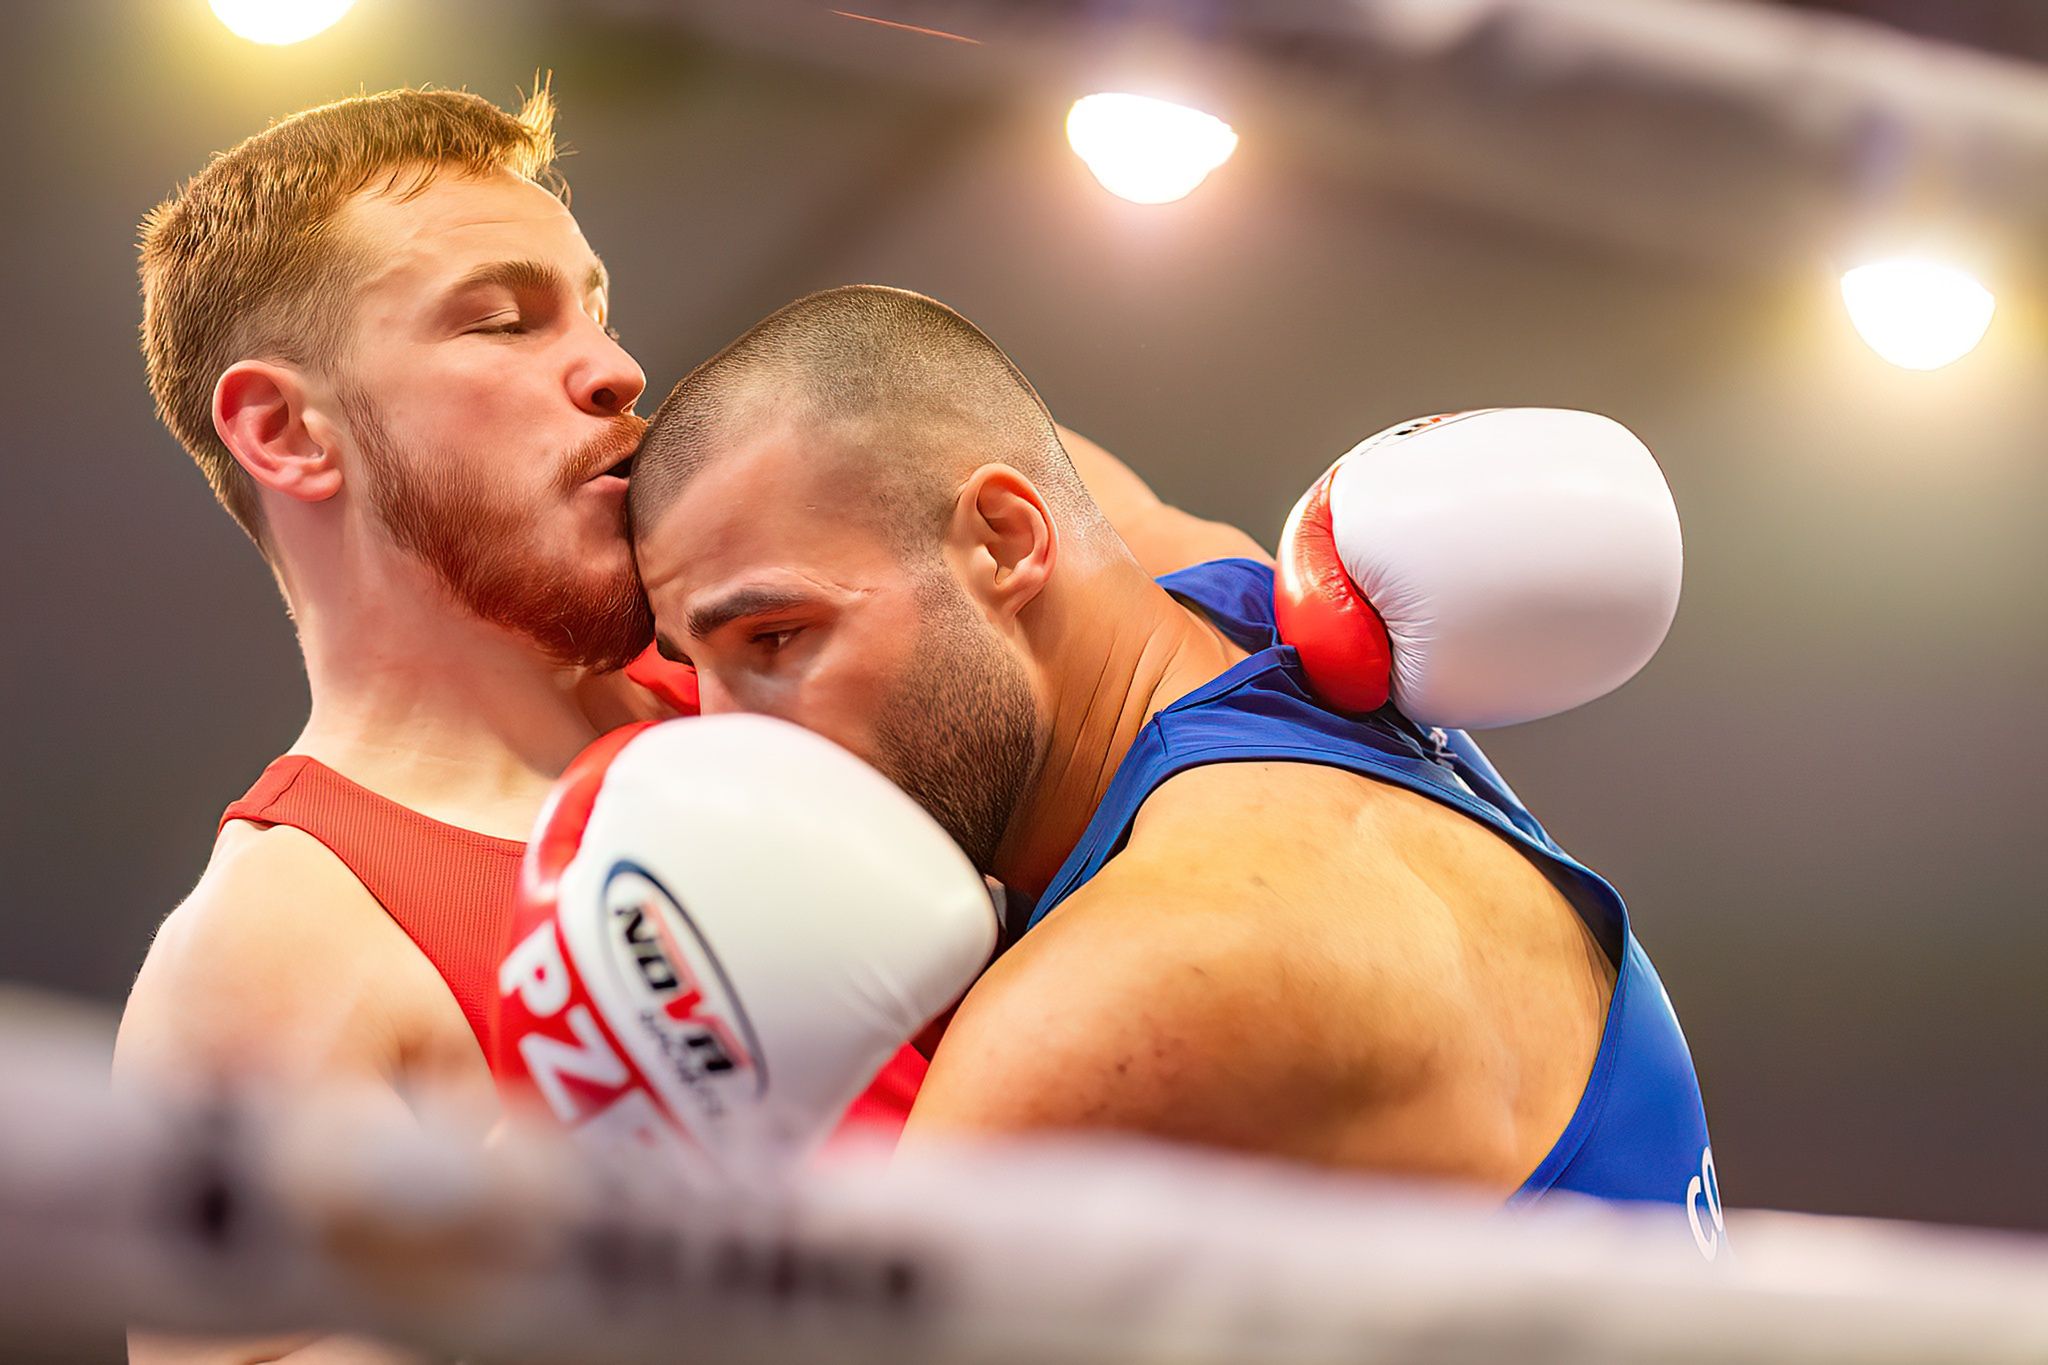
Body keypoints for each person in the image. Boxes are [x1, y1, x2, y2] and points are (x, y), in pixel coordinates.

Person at [115, 89, 1251, 1364]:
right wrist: (571, 1187)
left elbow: (1215, 617)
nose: (613, 366)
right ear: (284, 430)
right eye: (502, 319)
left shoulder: (792, 586)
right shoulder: (275, 951)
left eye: (593, 306)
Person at [624, 285, 1719, 1245]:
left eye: (774, 640)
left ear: (1006, 541)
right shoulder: (1236, 610)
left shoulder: (1115, 998)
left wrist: (566, 1123)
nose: (729, 736)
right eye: (696, 662)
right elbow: (956, 421)